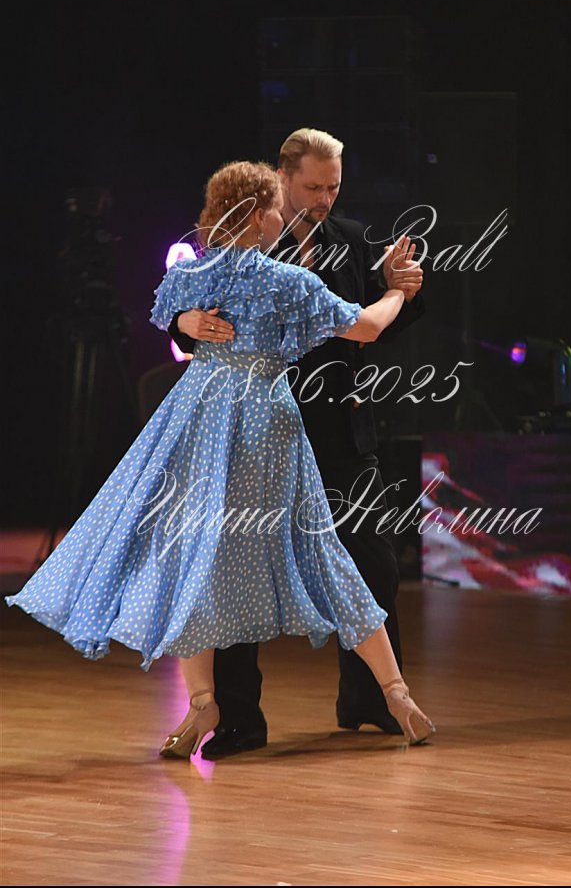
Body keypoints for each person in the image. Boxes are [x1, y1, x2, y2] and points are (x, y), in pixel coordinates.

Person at [5, 160, 435, 758]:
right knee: (319, 552)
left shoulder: (194, 273)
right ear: (258, 215)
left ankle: (204, 701)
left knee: (192, 557)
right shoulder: (285, 280)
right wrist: (394, 292)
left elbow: (165, 313)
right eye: (276, 207)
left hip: (200, 416)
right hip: (262, 419)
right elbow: (364, 329)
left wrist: (185, 318)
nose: (284, 214)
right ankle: (394, 692)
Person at [168, 129, 426, 758]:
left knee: (371, 561)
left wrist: (403, 288)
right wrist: (185, 323)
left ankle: (367, 701)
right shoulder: (240, 250)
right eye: (312, 186)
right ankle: (238, 717)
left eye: (333, 187)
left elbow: (373, 328)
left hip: (335, 428)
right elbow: (176, 314)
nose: (324, 198)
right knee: (231, 565)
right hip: (254, 431)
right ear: (279, 181)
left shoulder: (352, 239)